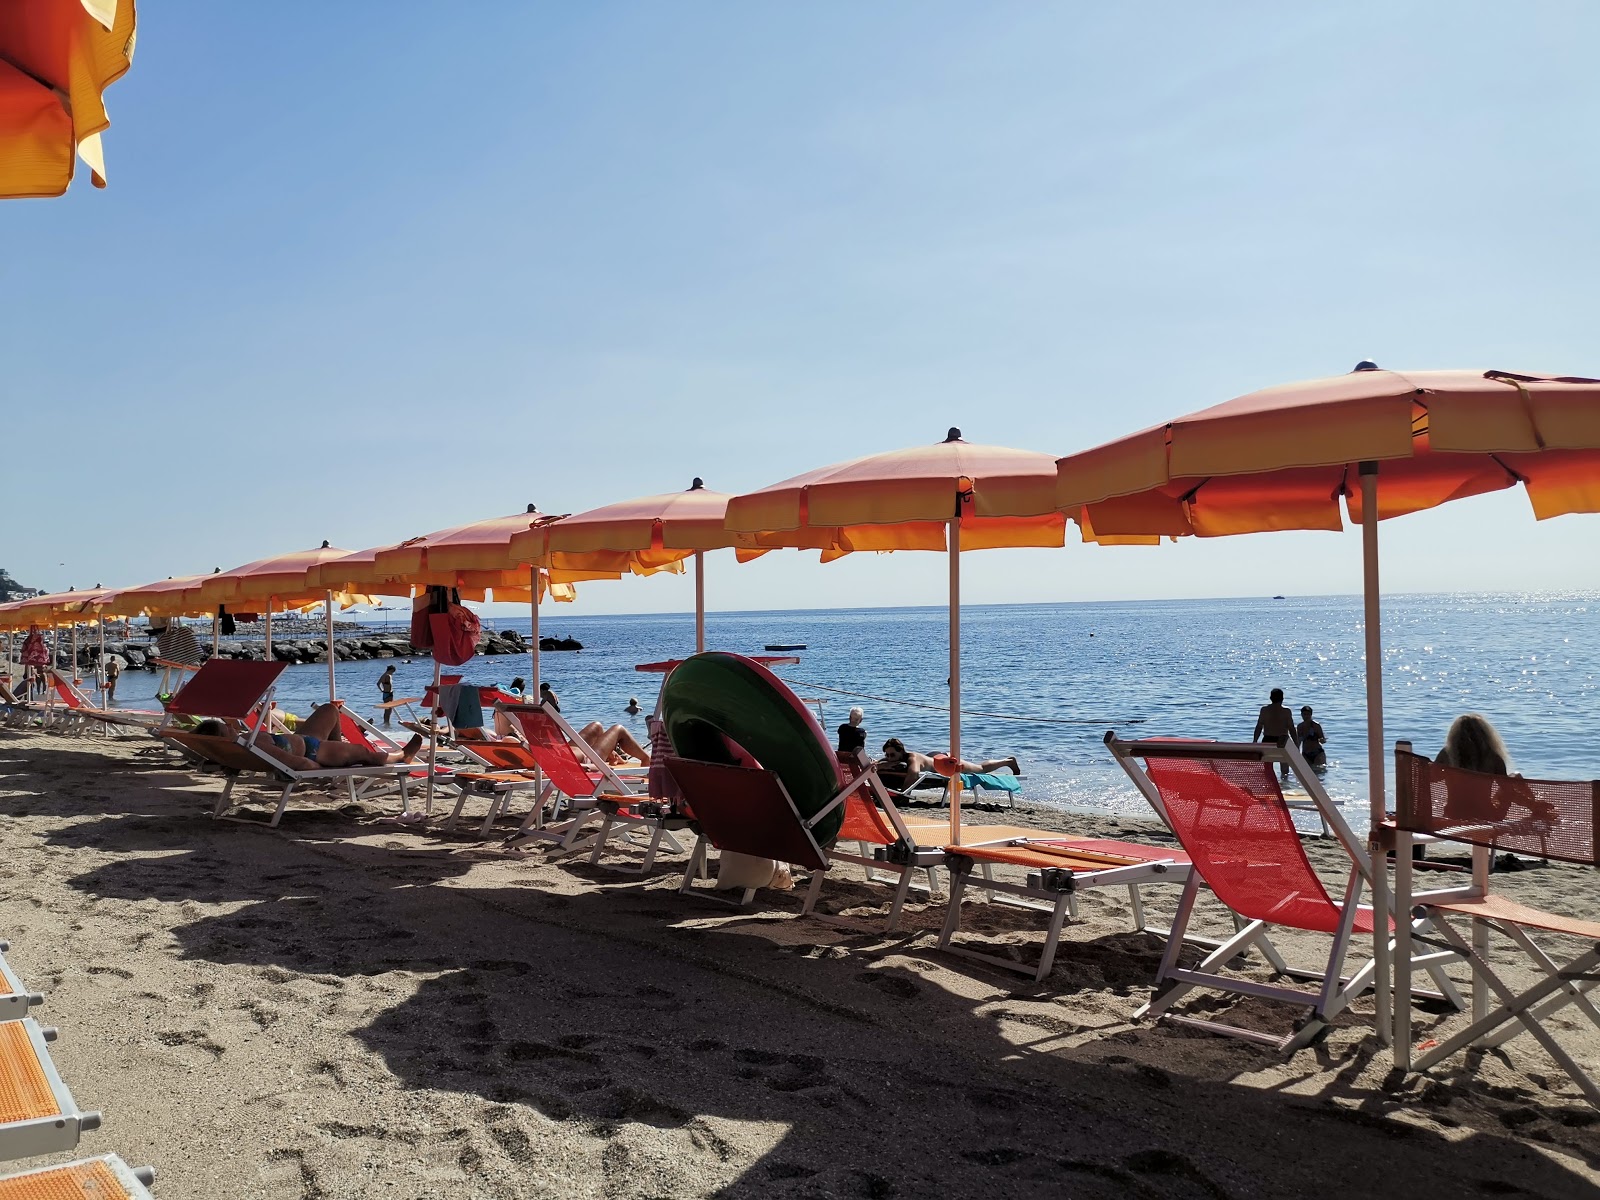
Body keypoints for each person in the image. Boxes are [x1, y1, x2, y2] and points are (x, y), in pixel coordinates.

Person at [194, 704, 424, 772]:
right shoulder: (255, 745)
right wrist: (323, 769)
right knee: (364, 753)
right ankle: (401, 756)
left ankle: (339, 748)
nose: (230, 727)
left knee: (330, 710)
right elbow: (297, 763)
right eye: (226, 729)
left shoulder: (231, 750)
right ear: (223, 736)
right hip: (315, 753)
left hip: (305, 739)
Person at [877, 737, 1018, 790]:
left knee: (979, 769)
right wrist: (882, 764)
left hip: (944, 763)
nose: (890, 758)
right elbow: (876, 764)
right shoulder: (894, 759)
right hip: (932, 758)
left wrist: (902, 794)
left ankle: (1008, 761)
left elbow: (913, 775)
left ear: (901, 752)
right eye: (887, 755)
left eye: (892, 755)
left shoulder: (912, 758)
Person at [1436, 713, 1510, 775]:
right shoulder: (1493, 759)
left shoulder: (1447, 754)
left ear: (1454, 736)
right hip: (1482, 793)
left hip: (1454, 793)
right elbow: (1504, 788)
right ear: (1485, 735)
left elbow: (1433, 778)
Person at [1253, 687, 1294, 779]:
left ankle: (1268, 785)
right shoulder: (1286, 711)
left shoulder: (1264, 710)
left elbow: (1259, 726)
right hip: (1282, 741)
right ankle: (1285, 786)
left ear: (1270, 698)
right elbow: (1291, 729)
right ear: (1282, 699)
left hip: (1267, 740)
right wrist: (1296, 743)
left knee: (1267, 767)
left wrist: (1255, 741)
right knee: (1284, 768)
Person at [1295, 705, 1326, 770]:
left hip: (1317, 753)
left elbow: (1322, 738)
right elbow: (1298, 742)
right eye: (1304, 714)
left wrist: (1322, 740)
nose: (1306, 716)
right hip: (1306, 754)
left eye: (1308, 714)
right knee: (1306, 773)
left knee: (1319, 773)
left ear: (1311, 715)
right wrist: (1296, 753)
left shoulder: (1316, 725)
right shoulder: (1300, 727)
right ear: (1301, 715)